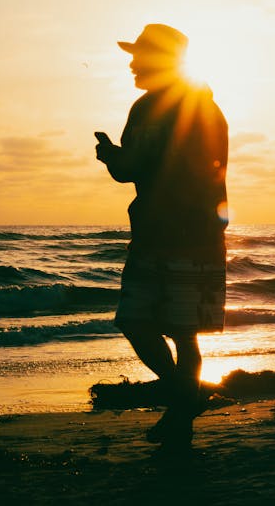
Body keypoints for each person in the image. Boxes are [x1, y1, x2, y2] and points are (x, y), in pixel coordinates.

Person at [95, 23, 228, 451]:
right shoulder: (208, 107)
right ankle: (181, 417)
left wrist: (109, 154)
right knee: (184, 332)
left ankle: (183, 396)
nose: (132, 64)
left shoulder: (152, 108)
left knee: (135, 322)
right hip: (204, 233)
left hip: (161, 234)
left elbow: (132, 168)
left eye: (138, 56)